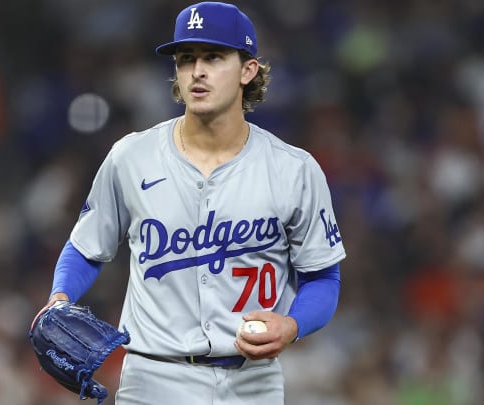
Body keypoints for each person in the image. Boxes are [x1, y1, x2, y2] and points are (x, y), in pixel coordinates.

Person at [31, 2, 346, 404]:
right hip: (154, 378)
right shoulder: (131, 157)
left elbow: (323, 278)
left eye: (213, 57)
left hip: (254, 382)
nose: (197, 70)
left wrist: (292, 325)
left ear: (248, 70)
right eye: (186, 59)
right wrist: (60, 296)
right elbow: (86, 246)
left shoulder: (294, 169)